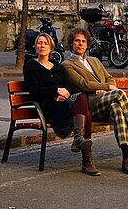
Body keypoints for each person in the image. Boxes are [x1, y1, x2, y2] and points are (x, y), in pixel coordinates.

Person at [62, 28, 128, 175]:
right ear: (71, 43)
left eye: (83, 41)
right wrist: (105, 87)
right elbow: (83, 84)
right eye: (77, 40)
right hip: (89, 105)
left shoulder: (94, 61)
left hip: (106, 101)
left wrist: (106, 88)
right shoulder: (68, 64)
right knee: (119, 94)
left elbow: (110, 78)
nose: (80, 44)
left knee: (117, 107)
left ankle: (126, 157)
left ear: (87, 44)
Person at [23, 32, 100, 176]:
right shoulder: (30, 66)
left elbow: (70, 88)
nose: (42, 46)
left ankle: (78, 138)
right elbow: (33, 90)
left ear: (51, 47)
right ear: (35, 46)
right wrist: (55, 91)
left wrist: (66, 94)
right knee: (86, 113)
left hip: (63, 103)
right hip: (47, 106)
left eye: (45, 43)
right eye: (39, 43)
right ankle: (85, 155)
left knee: (81, 97)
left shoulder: (58, 67)